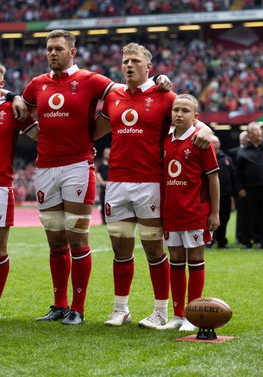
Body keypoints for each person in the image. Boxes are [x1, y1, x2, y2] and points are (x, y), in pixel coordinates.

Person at [15, 30, 171, 326]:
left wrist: (159, 81)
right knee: (55, 239)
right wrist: (23, 114)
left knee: (77, 238)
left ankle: (78, 307)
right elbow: (20, 109)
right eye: (49, 49)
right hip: (45, 167)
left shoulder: (93, 81)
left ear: (72, 52)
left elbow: (128, 94)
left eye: (58, 49)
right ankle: (59, 305)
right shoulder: (36, 84)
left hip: (78, 166)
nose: (52, 53)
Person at [94, 43, 212, 329]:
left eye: (135, 61)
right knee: (120, 250)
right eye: (125, 61)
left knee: (154, 251)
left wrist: (207, 130)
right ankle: (120, 309)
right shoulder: (113, 96)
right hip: (117, 183)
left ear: (150, 67)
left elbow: (194, 119)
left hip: (150, 183)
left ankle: (161, 311)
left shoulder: (165, 95)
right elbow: (93, 131)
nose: (129, 65)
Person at [160, 94, 219, 331]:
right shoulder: (164, 140)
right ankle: (177, 315)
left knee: (194, 261)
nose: (179, 114)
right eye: (176, 109)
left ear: (195, 117)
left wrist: (215, 213)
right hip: (172, 213)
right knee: (175, 262)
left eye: (185, 110)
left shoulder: (201, 141)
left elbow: (213, 177)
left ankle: (192, 315)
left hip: (196, 213)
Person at [0, 63, 39, 298]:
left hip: (0, 187)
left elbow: (40, 137)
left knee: (0, 250)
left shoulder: (11, 109)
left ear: (1, 84)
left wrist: (78, 147)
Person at [236, 122, 263, 249]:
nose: (259, 132)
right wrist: (240, 188)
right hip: (249, 189)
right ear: (249, 135)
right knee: (248, 217)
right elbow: (238, 173)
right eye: (255, 130)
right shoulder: (243, 152)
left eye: (259, 130)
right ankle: (247, 241)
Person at [211, 135, 236, 248]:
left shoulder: (226, 159)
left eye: (217, 142)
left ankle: (222, 241)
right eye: (213, 142)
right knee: (210, 219)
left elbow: (233, 176)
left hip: (225, 195)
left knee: (224, 219)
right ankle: (210, 240)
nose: (215, 144)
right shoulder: (206, 157)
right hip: (210, 195)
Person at [228, 130, 248, 244]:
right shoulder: (233, 152)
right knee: (240, 213)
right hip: (238, 187)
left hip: (249, 186)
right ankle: (239, 236)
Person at [96, 148, 110, 224]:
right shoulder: (101, 164)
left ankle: (111, 220)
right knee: (102, 203)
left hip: (112, 187)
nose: (107, 154)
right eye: (106, 153)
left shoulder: (112, 164)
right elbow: (97, 174)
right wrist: (102, 182)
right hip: (103, 187)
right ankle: (104, 220)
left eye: (108, 153)